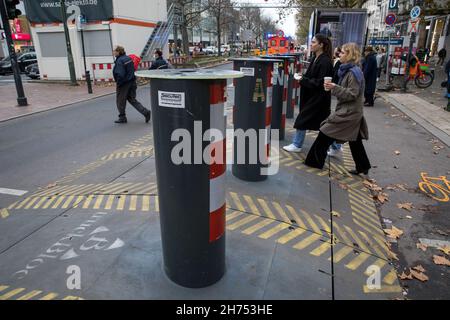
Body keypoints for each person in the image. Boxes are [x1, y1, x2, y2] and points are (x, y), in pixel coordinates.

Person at [304, 43, 371, 175]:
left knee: (325, 133)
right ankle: (363, 166)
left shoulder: (354, 72)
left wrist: (334, 87)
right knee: (355, 140)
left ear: (350, 55)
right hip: (351, 112)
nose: (340, 54)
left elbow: (352, 94)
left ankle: (314, 162)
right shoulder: (348, 70)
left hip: (348, 113)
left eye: (343, 52)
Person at [283, 34, 333, 153]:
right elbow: (312, 77)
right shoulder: (315, 58)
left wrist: (302, 80)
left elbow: (320, 82)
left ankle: (297, 144)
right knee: (323, 123)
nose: (311, 44)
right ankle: (336, 145)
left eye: (314, 42)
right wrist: (303, 77)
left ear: (321, 45)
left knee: (302, 119)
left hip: (318, 98)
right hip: (312, 96)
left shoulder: (325, 61)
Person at [112, 45, 151, 124]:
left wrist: (119, 83)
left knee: (120, 101)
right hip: (132, 82)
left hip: (124, 84)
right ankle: (145, 112)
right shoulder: (128, 58)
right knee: (132, 99)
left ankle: (122, 117)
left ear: (118, 52)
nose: (113, 52)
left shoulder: (120, 61)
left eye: (114, 51)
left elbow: (120, 74)